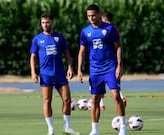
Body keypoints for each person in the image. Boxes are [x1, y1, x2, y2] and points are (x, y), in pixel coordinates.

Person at [77, 4, 127, 135]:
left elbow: (118, 47)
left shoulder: (110, 29)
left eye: (93, 15)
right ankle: (94, 130)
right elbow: (81, 52)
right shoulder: (85, 31)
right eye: (88, 16)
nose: (91, 18)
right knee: (95, 100)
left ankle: (123, 127)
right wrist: (79, 70)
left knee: (116, 96)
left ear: (99, 14)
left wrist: (119, 65)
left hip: (110, 67)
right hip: (95, 70)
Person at [30, 13, 78, 135]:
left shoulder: (59, 38)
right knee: (47, 100)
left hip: (60, 74)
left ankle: (67, 127)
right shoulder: (37, 39)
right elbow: (33, 57)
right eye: (43, 23)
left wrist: (70, 67)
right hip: (46, 75)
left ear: (52, 23)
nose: (45, 25)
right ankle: (50, 128)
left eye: (47, 22)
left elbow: (67, 54)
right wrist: (33, 72)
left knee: (67, 99)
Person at [99, 12, 127, 110]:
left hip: (108, 61)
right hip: (113, 60)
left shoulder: (109, 29)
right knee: (114, 83)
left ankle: (101, 103)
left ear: (105, 19)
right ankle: (121, 97)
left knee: (105, 82)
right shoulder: (114, 29)